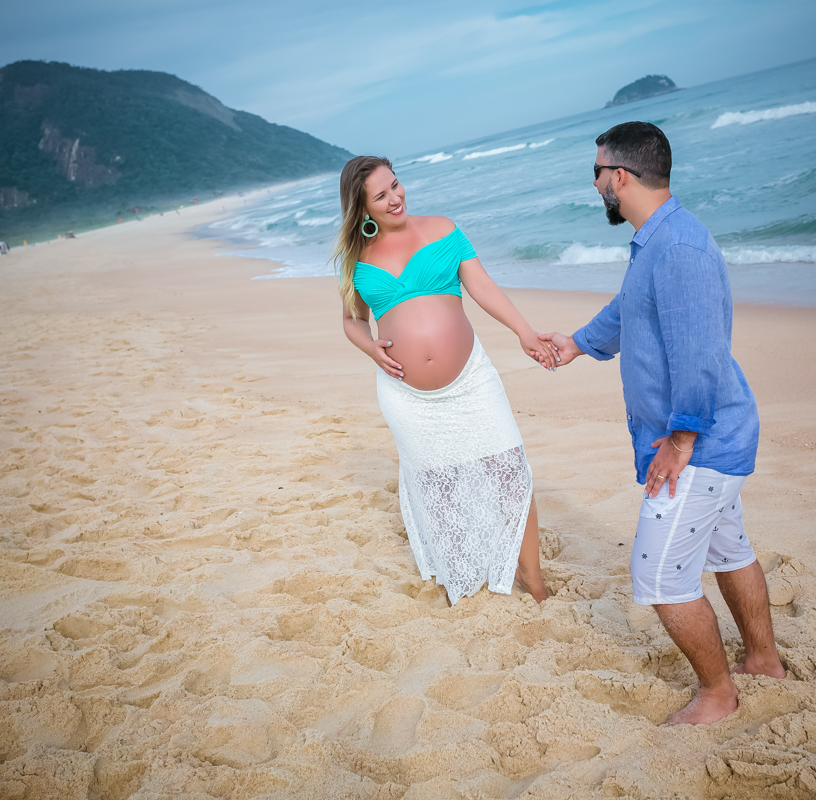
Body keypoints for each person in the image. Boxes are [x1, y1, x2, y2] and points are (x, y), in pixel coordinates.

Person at [540, 122, 786, 724]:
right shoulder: (657, 240)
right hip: (707, 437)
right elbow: (631, 310)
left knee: (658, 579)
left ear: (619, 177)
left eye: (596, 173)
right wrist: (577, 343)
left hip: (700, 444)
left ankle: (718, 694)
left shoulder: (677, 249)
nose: (595, 184)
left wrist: (680, 440)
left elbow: (700, 353)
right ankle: (763, 660)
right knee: (729, 550)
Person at [335, 155, 556, 605]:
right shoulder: (356, 259)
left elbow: (483, 287)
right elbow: (352, 321)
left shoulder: (442, 229)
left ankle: (535, 582)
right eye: (381, 196)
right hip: (406, 396)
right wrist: (370, 347)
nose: (395, 198)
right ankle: (466, 581)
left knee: (510, 473)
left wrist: (524, 331)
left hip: (471, 381)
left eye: (396, 185)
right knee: (439, 488)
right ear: (362, 208)